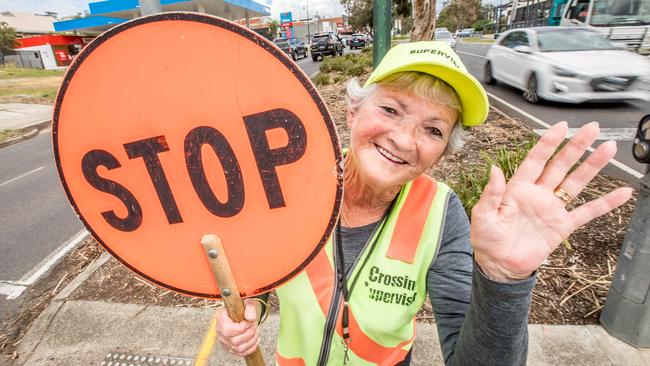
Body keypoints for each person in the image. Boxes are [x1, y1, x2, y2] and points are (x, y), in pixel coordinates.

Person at [214, 41, 633, 365]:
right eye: (392, 109)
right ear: (353, 113)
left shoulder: (440, 213)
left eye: (433, 130)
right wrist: (248, 306)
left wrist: (504, 280)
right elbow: (261, 276)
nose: (404, 139)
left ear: (442, 152)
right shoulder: (291, 187)